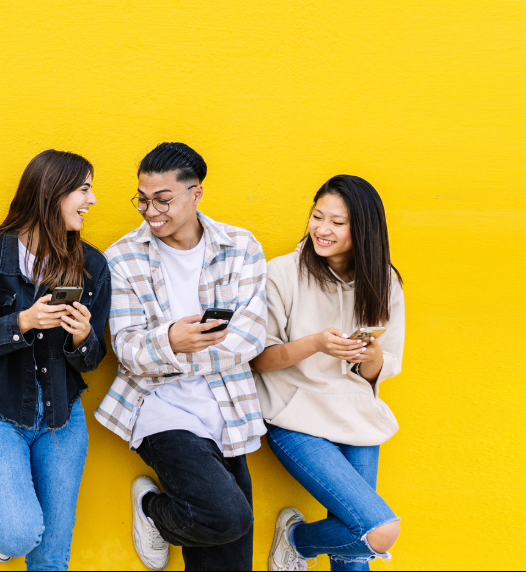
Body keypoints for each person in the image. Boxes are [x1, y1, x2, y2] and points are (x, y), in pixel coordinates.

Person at [95, 142, 269, 571]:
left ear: (197, 194)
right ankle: (154, 508)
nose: (150, 211)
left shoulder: (241, 247)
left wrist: (167, 349)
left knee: (230, 552)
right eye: (142, 199)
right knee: (227, 515)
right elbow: (128, 349)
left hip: (228, 406)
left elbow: (251, 337)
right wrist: (172, 339)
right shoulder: (120, 258)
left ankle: (165, 516)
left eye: (162, 199)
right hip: (159, 406)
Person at [0, 150, 110, 570]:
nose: (91, 201)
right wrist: (22, 321)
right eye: (83, 189)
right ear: (51, 192)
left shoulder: (92, 265)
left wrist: (82, 337)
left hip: (63, 419)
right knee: (18, 533)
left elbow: (93, 359)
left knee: (53, 556)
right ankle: (7, 539)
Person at [253, 175, 405, 571]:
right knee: (376, 531)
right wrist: (316, 343)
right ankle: (298, 541)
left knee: (353, 550)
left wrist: (369, 355)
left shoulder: (385, 281)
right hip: (294, 415)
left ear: (364, 229)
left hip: (355, 414)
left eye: (337, 222)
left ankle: (298, 544)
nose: (322, 229)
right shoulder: (280, 274)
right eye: (318, 217)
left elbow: (382, 368)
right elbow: (259, 360)